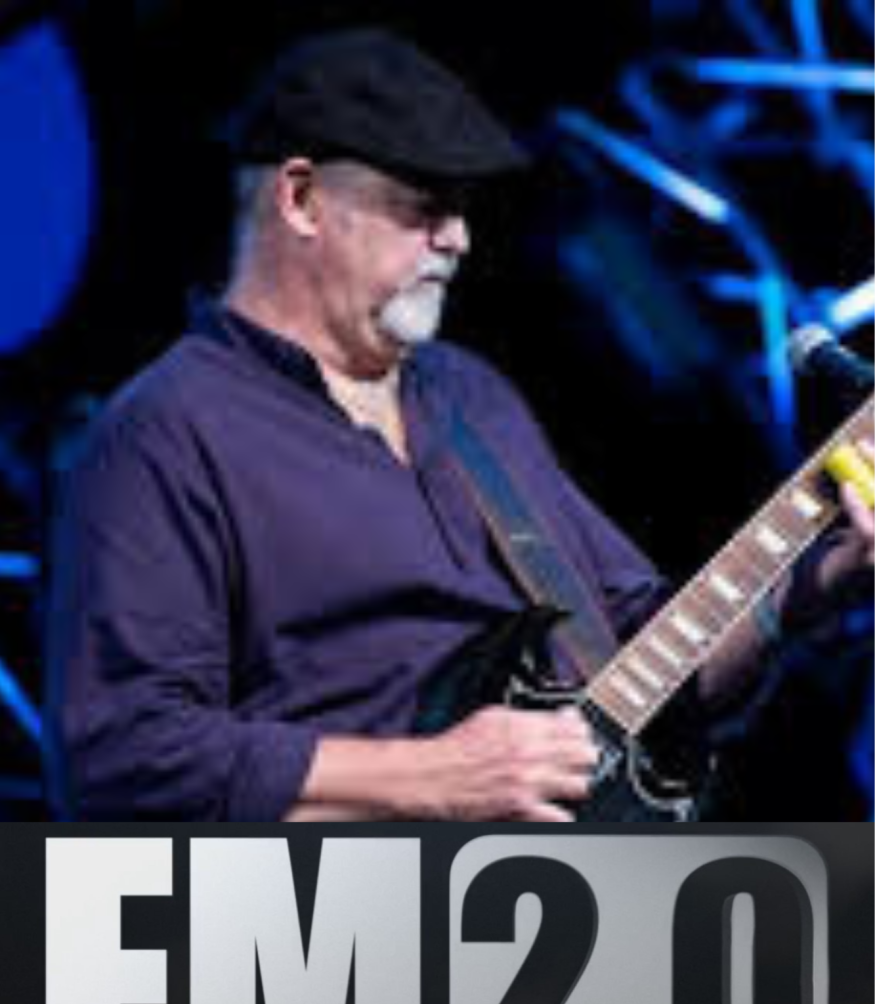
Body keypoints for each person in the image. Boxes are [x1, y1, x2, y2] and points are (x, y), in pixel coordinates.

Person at [43, 27, 875, 822]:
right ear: (300, 198)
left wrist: (814, 584)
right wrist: (434, 778)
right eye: (423, 205)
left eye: (463, 207)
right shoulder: (162, 432)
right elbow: (120, 760)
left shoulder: (467, 395)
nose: (459, 237)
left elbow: (647, 668)